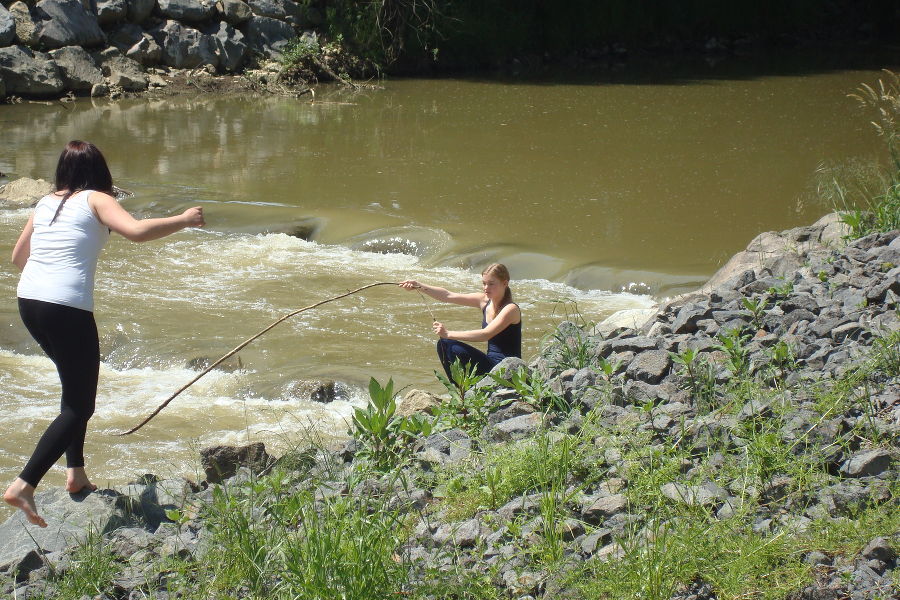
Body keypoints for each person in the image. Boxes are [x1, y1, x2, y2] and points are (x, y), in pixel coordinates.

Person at [3, 140, 205, 528]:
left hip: (30, 301)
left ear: (62, 170)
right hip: (66, 307)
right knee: (81, 406)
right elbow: (136, 231)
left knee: (72, 390)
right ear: (99, 172)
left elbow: (17, 258)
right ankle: (24, 483)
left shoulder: (45, 203)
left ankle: (75, 472)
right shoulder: (96, 198)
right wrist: (183, 219)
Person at [399, 263, 522, 379]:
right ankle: (461, 390)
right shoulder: (484, 300)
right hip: (490, 363)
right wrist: (418, 285)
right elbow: (447, 296)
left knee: (447, 343)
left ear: (505, 283)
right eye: (484, 283)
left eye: (491, 284)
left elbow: (485, 334)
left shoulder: (511, 309)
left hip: (506, 369)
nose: (486, 288)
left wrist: (448, 334)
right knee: (443, 345)